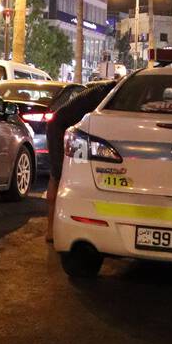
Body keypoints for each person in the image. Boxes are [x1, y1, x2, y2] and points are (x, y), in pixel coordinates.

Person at [44, 79, 117, 242]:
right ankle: (51, 230)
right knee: (59, 176)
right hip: (61, 129)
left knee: (67, 176)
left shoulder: (106, 91)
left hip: (70, 129)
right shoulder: (107, 94)